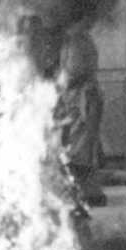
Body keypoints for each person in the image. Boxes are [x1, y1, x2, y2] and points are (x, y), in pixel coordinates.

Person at [54, 21, 107, 208]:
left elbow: (74, 71)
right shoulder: (76, 40)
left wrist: (60, 86)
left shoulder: (77, 41)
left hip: (81, 100)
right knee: (82, 147)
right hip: (78, 100)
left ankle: (87, 193)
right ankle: (89, 192)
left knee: (80, 148)